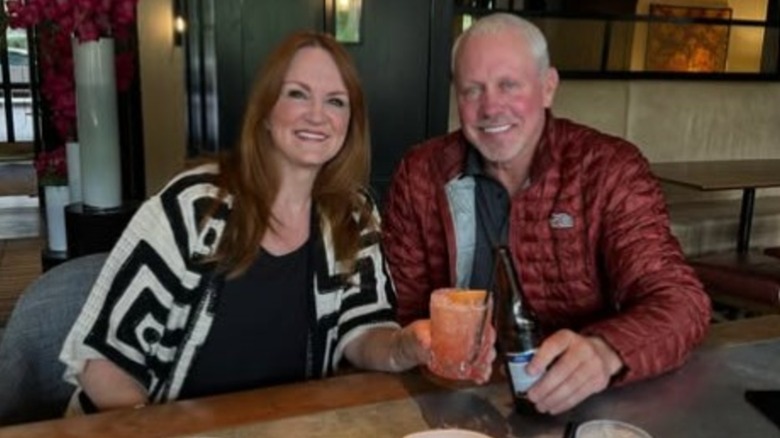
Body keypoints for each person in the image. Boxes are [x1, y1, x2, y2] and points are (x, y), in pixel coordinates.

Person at [58, 31, 488, 413]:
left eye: (335, 101)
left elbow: (361, 329)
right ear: (264, 111)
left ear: (349, 124)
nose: (317, 115)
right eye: (297, 94)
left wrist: (404, 347)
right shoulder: (191, 208)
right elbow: (104, 365)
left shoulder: (351, 216)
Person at [382, 13, 711, 415]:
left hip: (581, 404)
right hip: (454, 403)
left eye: (509, 85)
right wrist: (420, 346)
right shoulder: (420, 174)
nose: (491, 107)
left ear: (548, 87)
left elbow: (681, 301)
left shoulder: (608, 169)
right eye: (472, 90)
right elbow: (402, 312)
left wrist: (606, 351)